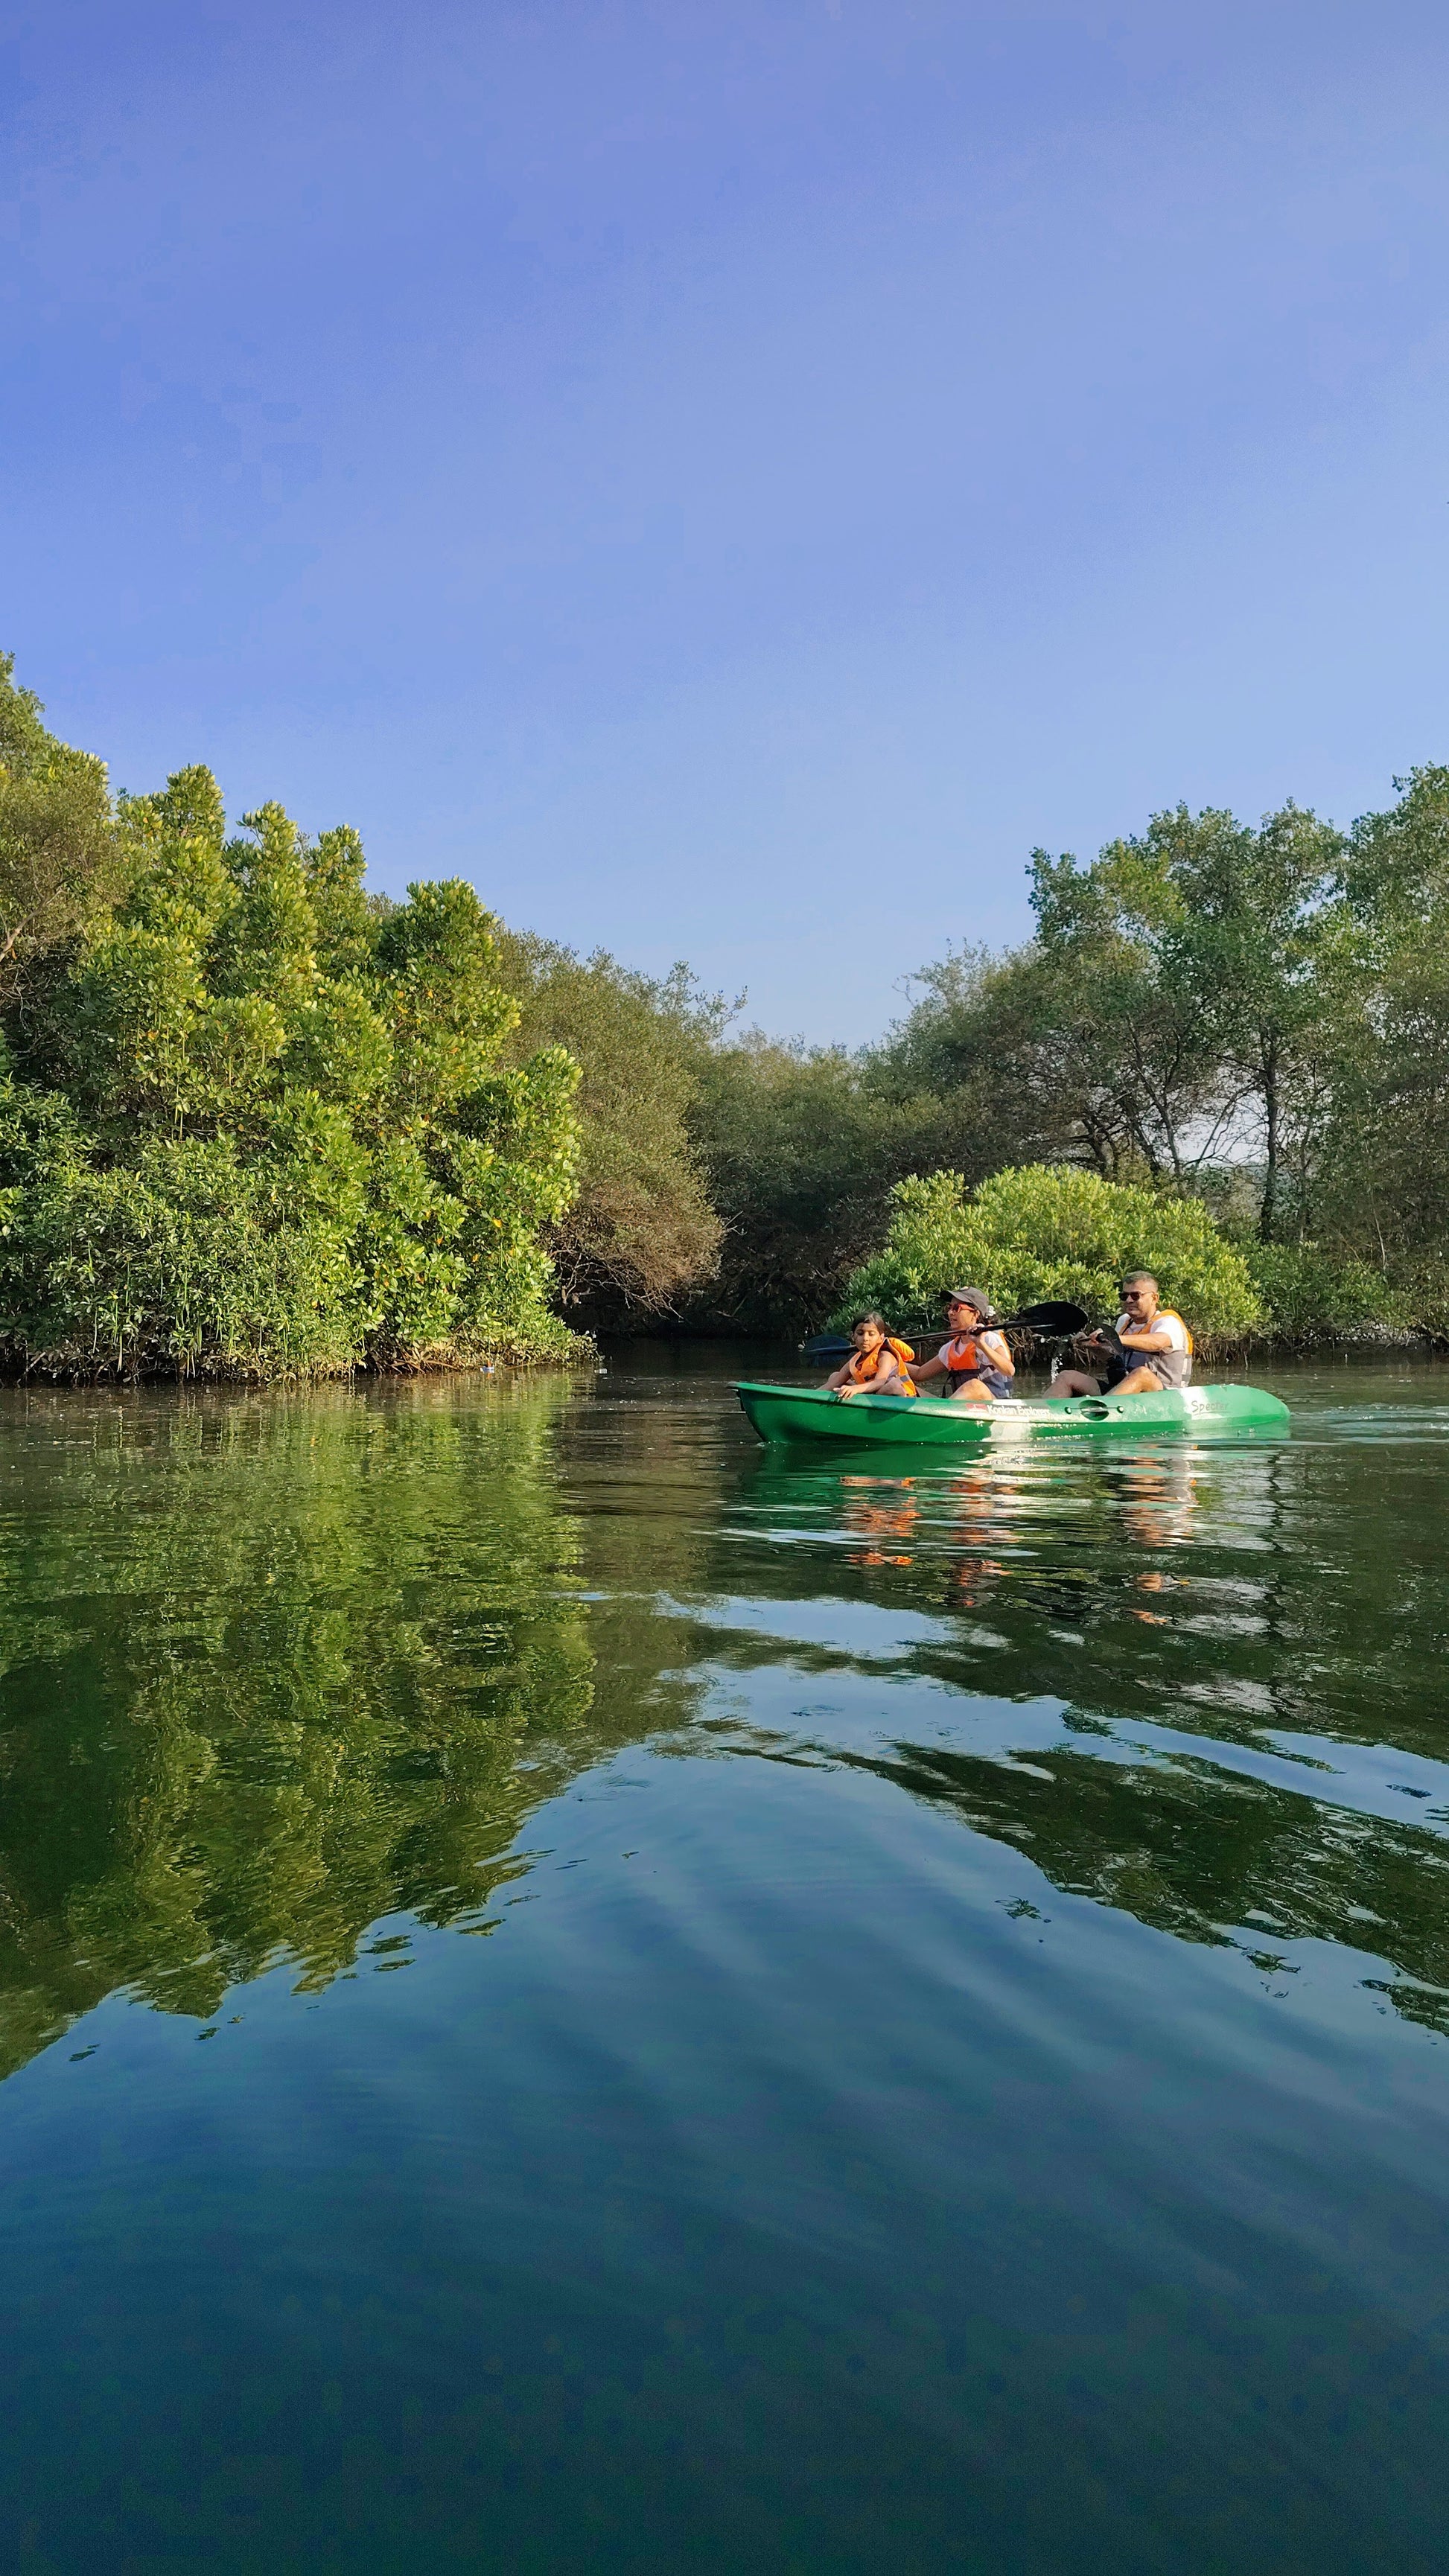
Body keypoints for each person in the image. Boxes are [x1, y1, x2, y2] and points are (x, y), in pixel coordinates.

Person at [1048, 1272, 1194, 1398]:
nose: (1129, 1300)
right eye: (1124, 1296)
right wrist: (1092, 1345)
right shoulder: (1124, 1321)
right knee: (1067, 1376)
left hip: (1166, 1395)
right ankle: (1043, 1412)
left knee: (1142, 1373)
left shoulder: (1168, 1321)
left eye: (1136, 1296)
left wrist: (1114, 1338)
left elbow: (1158, 1342)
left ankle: (1105, 1410)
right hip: (1123, 1390)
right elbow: (1112, 1359)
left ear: (1154, 1298)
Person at [908, 1288, 1015, 1403]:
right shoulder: (950, 1348)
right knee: (905, 1387)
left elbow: (1009, 1371)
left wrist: (981, 1344)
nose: (950, 1313)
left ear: (975, 1314)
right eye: (949, 1308)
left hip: (996, 1406)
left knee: (975, 1385)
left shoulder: (989, 1339)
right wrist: (892, 1356)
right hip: (964, 1408)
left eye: (957, 1308)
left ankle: (945, 1412)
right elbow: (919, 1373)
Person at [823, 1312, 917, 1400]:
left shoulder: (885, 1356)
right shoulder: (854, 1361)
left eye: (871, 1334)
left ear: (881, 1338)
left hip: (903, 1397)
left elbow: (880, 1382)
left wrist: (856, 1389)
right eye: (860, 1334)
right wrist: (809, 1395)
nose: (865, 1339)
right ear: (853, 1336)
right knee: (834, 1377)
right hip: (872, 1396)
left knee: (893, 1386)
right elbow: (830, 1385)